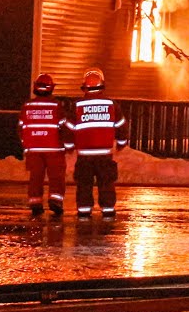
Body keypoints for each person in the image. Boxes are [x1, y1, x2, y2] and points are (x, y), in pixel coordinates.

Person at [65, 68, 128, 219]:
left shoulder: (77, 106)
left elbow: (69, 128)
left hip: (84, 155)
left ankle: (84, 211)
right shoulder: (111, 105)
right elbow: (121, 125)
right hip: (104, 154)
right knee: (106, 183)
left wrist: (69, 145)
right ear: (102, 85)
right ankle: (107, 210)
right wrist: (121, 142)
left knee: (84, 184)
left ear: (84, 86)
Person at [17, 73, 73, 217]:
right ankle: (55, 201)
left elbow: (21, 128)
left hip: (34, 149)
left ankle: (35, 203)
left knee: (35, 177)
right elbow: (64, 126)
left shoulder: (27, 106)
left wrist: (26, 145)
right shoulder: (56, 106)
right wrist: (68, 144)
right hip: (54, 148)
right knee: (56, 177)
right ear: (51, 89)